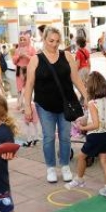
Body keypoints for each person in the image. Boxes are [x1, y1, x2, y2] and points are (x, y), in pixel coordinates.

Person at [23, 27, 88, 183]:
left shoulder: (67, 56)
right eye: (51, 41)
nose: (54, 44)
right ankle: (51, 168)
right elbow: (29, 84)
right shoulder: (36, 59)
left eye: (57, 41)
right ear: (44, 40)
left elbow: (76, 79)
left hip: (66, 104)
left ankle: (65, 166)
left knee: (65, 137)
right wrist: (27, 106)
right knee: (48, 137)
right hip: (44, 105)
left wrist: (86, 96)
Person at [64, 71, 106, 199]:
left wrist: (83, 127)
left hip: (95, 135)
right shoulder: (105, 101)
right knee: (104, 160)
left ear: (91, 88)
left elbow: (95, 124)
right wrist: (86, 118)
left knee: (81, 157)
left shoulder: (92, 104)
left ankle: (79, 179)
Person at [12, 30, 36, 110]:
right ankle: (21, 104)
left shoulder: (32, 49)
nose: (22, 41)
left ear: (28, 40)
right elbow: (14, 61)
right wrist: (18, 56)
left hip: (28, 70)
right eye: (21, 39)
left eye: (24, 39)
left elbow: (35, 59)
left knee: (26, 87)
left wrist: (26, 55)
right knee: (19, 87)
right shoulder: (17, 49)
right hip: (19, 70)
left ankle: (26, 104)